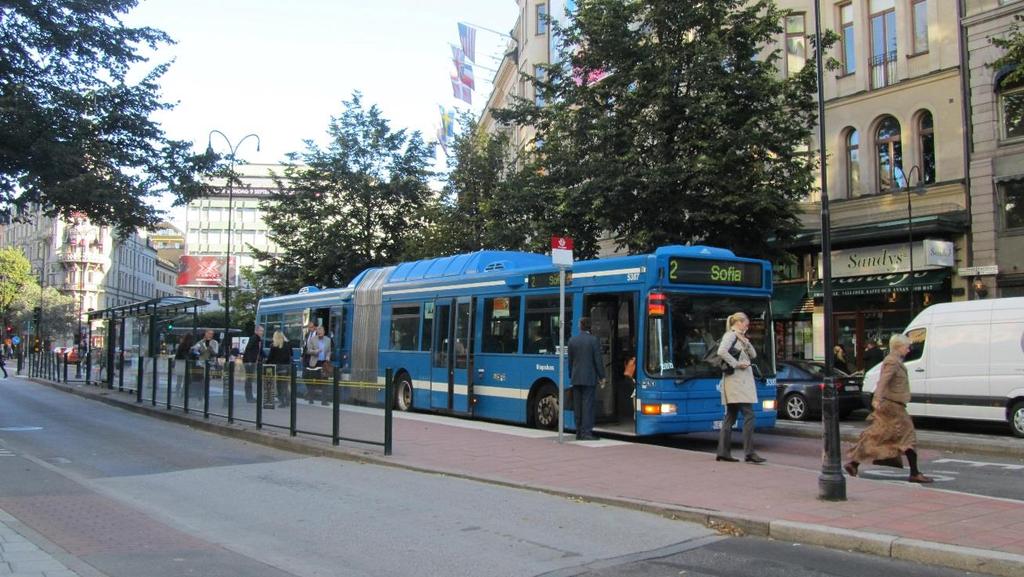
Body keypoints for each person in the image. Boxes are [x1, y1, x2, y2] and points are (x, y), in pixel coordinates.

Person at [844, 334, 933, 484]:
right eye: (906, 346)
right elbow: (883, 382)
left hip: (893, 406)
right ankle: (915, 473)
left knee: (878, 436)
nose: (908, 349)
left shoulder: (896, 361)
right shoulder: (892, 362)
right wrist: (877, 399)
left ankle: (853, 464)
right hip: (892, 407)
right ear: (898, 347)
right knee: (908, 437)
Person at [715, 312, 766, 464]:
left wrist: (745, 342)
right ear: (738, 322)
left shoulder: (739, 337)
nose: (747, 326)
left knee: (730, 417)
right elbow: (721, 351)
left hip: (738, 383)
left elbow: (754, 355)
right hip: (736, 382)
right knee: (749, 415)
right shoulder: (730, 335)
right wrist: (736, 364)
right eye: (746, 323)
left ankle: (723, 452)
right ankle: (749, 452)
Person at [568, 317, 604, 441]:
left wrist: (571, 375)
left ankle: (578, 432)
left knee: (577, 406)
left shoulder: (572, 340)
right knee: (587, 406)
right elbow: (598, 360)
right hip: (589, 379)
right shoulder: (594, 340)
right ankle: (587, 433)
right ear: (590, 327)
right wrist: (602, 376)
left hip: (576, 377)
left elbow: (570, 362)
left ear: (580, 326)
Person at [305, 325, 332, 405]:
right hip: (314, 363)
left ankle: (324, 401)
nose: (319, 332)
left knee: (324, 382)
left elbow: (329, 351)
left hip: (324, 363)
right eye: (318, 331)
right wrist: (316, 351)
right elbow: (308, 351)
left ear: (324, 332)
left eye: (321, 331)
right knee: (313, 382)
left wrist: (327, 357)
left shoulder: (328, 340)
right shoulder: (313, 339)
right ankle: (311, 398)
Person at [266, 330, 292, 407]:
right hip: (287, 368)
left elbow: (270, 358)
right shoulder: (288, 344)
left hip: (279, 368)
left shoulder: (274, 345)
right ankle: (287, 401)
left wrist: (266, 364)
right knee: (286, 385)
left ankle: (282, 402)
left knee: (279, 385)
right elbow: (291, 354)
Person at [242, 326, 265, 404]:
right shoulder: (254, 338)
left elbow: (260, 351)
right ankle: (249, 398)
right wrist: (249, 361)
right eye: (261, 331)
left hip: (253, 362)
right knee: (249, 380)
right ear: (256, 331)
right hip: (250, 362)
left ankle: (250, 397)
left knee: (250, 379)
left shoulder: (259, 339)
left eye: (263, 331)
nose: (262, 333)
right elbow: (248, 349)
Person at [173, 333, 195, 399]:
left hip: (181, 363)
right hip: (183, 363)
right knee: (185, 380)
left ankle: (180, 393)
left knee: (180, 380)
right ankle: (182, 394)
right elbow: (184, 354)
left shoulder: (183, 345)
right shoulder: (184, 345)